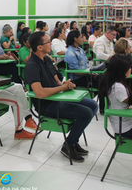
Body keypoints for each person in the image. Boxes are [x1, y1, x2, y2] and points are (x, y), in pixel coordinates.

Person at [25, 31, 97, 162]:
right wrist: (62, 88)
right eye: (48, 42)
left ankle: (73, 140)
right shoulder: (31, 66)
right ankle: (69, 145)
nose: (51, 43)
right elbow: (40, 93)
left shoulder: (46, 59)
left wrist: (65, 84)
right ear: (39, 47)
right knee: (86, 113)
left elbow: (56, 80)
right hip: (46, 105)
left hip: (58, 97)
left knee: (93, 105)